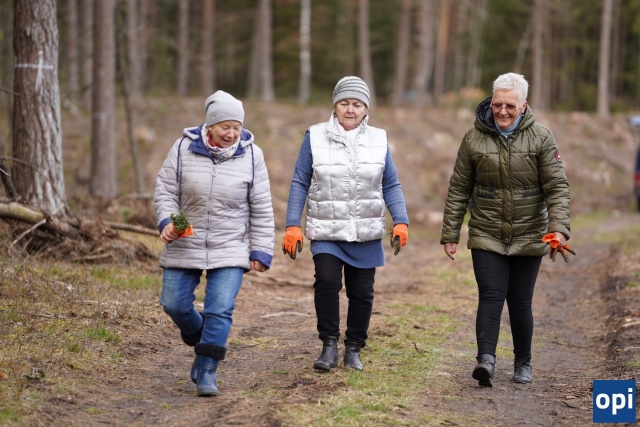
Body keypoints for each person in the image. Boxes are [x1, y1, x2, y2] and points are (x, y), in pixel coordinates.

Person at [440, 73, 572, 387]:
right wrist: (450, 233)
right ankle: (485, 361)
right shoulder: (473, 138)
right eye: (497, 104)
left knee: (520, 301)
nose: (502, 111)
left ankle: (523, 362)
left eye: (510, 106)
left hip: (530, 231)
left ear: (523, 105)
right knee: (490, 295)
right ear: (491, 102)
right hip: (486, 231)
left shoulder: (541, 137)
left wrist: (558, 228)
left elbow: (557, 187)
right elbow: (459, 189)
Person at [282, 76, 409, 372]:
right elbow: (300, 181)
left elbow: (390, 183)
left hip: (366, 231)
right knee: (327, 282)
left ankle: (354, 348)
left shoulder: (379, 139)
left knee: (362, 292)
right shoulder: (314, 136)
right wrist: (292, 225)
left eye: (357, 104)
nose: (350, 109)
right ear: (334, 106)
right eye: (344, 103)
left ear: (366, 109)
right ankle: (329, 344)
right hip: (327, 229)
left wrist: (401, 220)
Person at [153, 90, 274, 396]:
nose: (231, 134)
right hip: (186, 241)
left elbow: (261, 206)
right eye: (225, 127)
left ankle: (207, 369)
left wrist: (260, 250)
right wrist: (168, 221)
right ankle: (203, 339)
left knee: (220, 309)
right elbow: (165, 190)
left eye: (236, 127)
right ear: (209, 126)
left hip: (231, 244)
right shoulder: (182, 148)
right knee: (173, 304)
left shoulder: (252, 155)